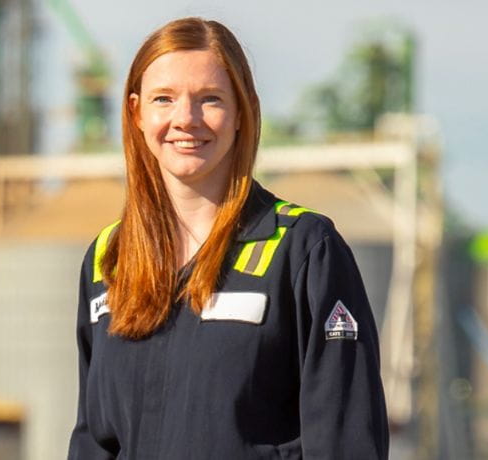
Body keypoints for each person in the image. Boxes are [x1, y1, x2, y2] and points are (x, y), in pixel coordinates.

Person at [67, 17, 388, 459]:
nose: (186, 119)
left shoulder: (303, 249)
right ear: (136, 112)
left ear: (242, 112)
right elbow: (93, 440)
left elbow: (345, 441)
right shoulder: (108, 260)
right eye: (165, 99)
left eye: (210, 100)